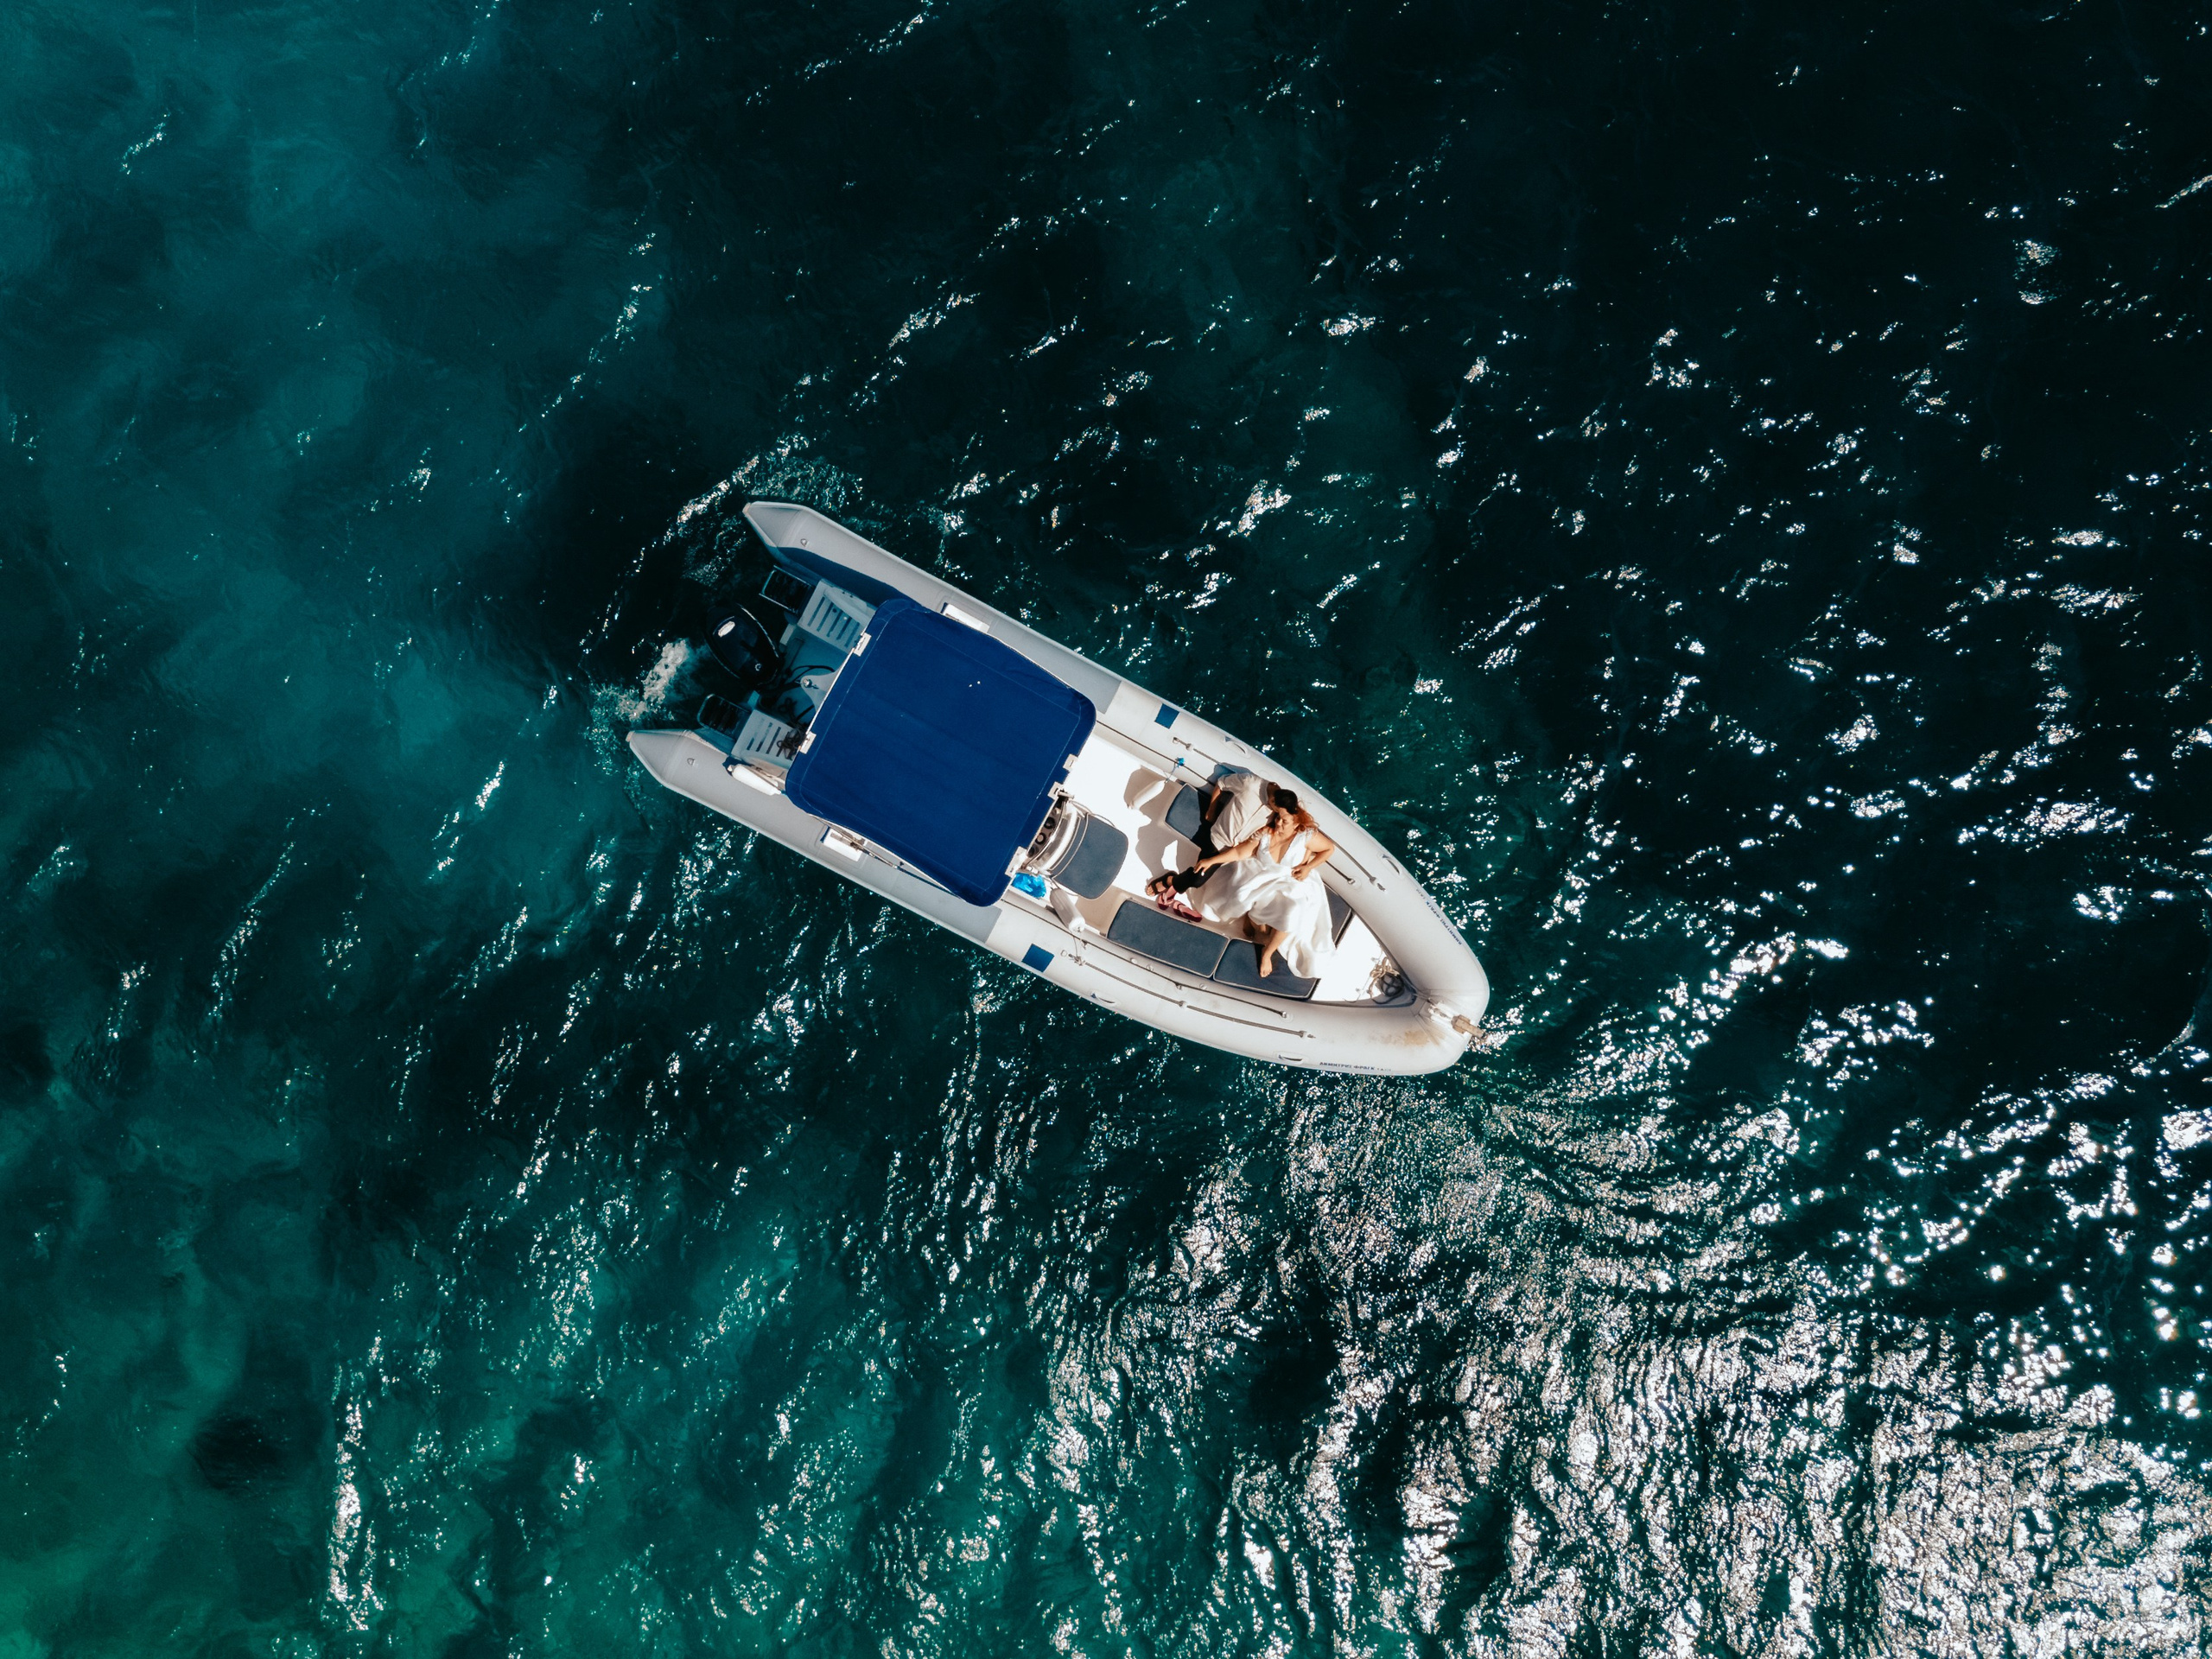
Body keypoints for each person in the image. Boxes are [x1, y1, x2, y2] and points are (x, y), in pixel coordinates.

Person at [1186, 790, 1337, 978]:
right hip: (1262, 877)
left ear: (1296, 820)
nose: (1279, 823)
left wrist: (1308, 868)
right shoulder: (1266, 833)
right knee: (1249, 904)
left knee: (1293, 909)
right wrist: (1211, 861)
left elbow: (1329, 848)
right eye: (1277, 818)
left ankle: (1268, 953)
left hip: (1290, 882)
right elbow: (1240, 853)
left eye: (1284, 820)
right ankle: (1255, 922)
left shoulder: (1306, 835)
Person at [1146, 771, 1276, 898]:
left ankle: (1177, 881)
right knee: (1196, 881)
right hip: (1218, 839)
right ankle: (1169, 880)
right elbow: (1222, 782)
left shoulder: (1279, 814)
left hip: (1233, 851)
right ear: (1274, 800)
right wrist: (1211, 809)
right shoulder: (1250, 784)